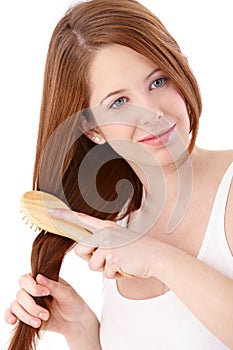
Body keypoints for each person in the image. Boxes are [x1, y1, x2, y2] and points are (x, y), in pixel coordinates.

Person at [4, 0, 233, 349]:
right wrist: (82, 331)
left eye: (158, 81)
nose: (151, 112)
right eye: (119, 102)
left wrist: (159, 258)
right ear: (92, 130)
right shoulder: (120, 231)